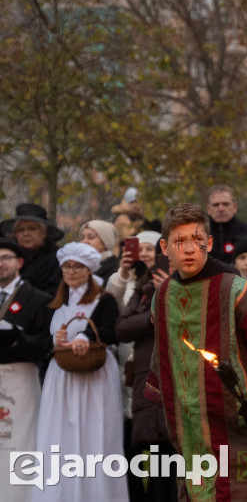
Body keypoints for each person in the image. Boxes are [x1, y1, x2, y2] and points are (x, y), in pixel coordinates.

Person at [145, 202, 247, 501]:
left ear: (208, 243)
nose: (189, 249)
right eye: (180, 241)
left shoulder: (239, 291)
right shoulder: (162, 296)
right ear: (165, 247)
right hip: (190, 430)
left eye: (196, 240)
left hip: (242, 427)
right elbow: (164, 357)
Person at [34, 242, 126, 500]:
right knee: (60, 435)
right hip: (61, 376)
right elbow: (39, 339)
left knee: (95, 433)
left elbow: (111, 330)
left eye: (78, 267)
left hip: (95, 375)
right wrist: (56, 340)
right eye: (67, 267)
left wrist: (85, 337)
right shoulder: (54, 301)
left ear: (88, 270)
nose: (71, 272)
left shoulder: (103, 300)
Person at [115, 249, 176, 502]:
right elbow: (121, 328)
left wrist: (172, 293)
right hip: (148, 379)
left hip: (182, 378)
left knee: (181, 458)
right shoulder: (145, 288)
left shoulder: (199, 285)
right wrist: (151, 318)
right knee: (158, 454)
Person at [0, 238, 52, 502]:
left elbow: (45, 344)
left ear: (19, 263)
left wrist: (18, 337)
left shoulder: (38, 299)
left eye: (5, 258)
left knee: (19, 441)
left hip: (22, 378)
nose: (0, 264)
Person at [0, 203, 62, 296]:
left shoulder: (57, 261)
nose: (26, 234)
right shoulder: (10, 257)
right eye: (20, 230)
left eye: (32, 228)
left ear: (44, 232)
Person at [106, 225, 162, 310]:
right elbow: (111, 304)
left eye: (150, 249)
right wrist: (123, 274)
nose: (143, 254)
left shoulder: (166, 278)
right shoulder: (127, 278)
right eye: (139, 250)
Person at [205, 184, 247, 263]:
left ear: (235, 207)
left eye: (226, 204)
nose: (221, 209)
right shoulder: (199, 235)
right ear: (208, 208)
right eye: (215, 205)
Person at [77, 219, 121, 285]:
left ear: (105, 242)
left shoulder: (114, 269)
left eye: (91, 237)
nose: (84, 241)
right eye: (82, 237)